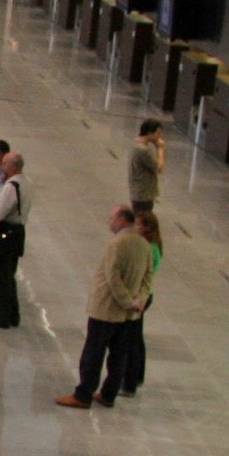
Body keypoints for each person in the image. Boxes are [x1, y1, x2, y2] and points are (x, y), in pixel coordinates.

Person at [57, 206, 154, 410]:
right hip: (129, 315)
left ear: (122, 220)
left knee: (93, 352)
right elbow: (148, 278)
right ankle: (109, 394)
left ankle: (83, 395)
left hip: (107, 310)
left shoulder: (117, 244)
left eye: (111, 218)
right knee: (118, 354)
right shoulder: (144, 245)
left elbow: (112, 277)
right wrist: (139, 301)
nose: (109, 221)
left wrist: (126, 300)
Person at [0, 153, 29, 329]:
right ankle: (13, 315)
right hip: (17, 233)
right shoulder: (26, 183)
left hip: (4, 234)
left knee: (0, 277)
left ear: (14, 167)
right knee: (9, 276)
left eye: (5, 163)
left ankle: (3, 317)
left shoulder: (11, 186)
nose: (1, 166)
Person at [123, 208, 162, 395]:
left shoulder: (150, 249)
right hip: (141, 294)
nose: (134, 227)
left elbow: (144, 274)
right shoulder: (147, 246)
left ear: (147, 228)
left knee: (132, 339)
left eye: (138, 224)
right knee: (136, 338)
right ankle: (136, 376)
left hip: (141, 296)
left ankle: (130, 380)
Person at [128, 119, 165, 214]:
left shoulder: (136, 145)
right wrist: (160, 149)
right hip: (143, 195)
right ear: (149, 132)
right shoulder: (143, 150)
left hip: (138, 192)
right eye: (158, 133)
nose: (159, 137)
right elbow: (159, 167)